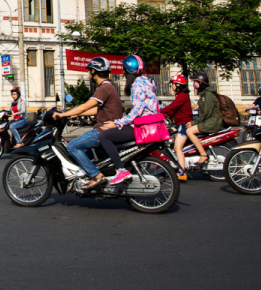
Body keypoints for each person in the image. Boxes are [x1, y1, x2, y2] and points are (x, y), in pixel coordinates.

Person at [53, 57, 123, 191]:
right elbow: (97, 109)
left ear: (93, 72)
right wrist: (74, 114)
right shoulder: (111, 87)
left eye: (89, 72)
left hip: (102, 131)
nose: (89, 74)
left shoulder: (103, 88)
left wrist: (62, 114)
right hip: (109, 129)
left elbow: (85, 106)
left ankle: (95, 175)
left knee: (72, 146)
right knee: (85, 142)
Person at [98, 55, 159, 185]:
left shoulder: (136, 85)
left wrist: (117, 122)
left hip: (143, 127)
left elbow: (136, 112)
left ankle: (121, 170)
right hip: (151, 124)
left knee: (104, 136)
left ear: (128, 70)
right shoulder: (148, 82)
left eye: (123, 69)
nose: (123, 72)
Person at [185, 71, 224, 171]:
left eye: (195, 82)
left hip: (213, 121)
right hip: (209, 120)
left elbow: (206, 113)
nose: (194, 84)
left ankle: (203, 154)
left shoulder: (208, 94)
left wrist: (194, 122)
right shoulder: (204, 94)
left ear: (201, 82)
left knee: (189, 131)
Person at [161, 74, 193, 180]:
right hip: (180, 123)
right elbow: (173, 110)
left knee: (177, 147)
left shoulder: (182, 95)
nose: (172, 87)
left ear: (178, 85)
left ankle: (182, 172)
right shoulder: (180, 95)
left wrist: (159, 111)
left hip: (184, 124)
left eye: (173, 85)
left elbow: (173, 106)